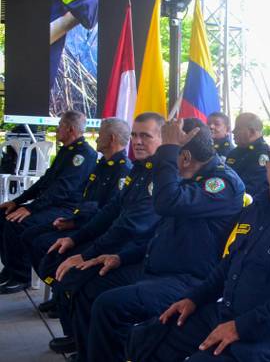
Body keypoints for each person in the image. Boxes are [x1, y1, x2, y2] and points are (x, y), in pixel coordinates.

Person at [126, 127, 270, 362]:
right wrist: (194, 299)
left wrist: (240, 327)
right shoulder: (255, 210)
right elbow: (229, 265)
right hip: (226, 313)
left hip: (267, 334)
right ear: (267, 163)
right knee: (153, 335)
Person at [64, 118, 245, 362]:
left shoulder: (223, 183)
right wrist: (119, 257)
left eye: (167, 155)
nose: (164, 162)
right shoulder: (191, 176)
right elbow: (159, 234)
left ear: (185, 157)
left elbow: (167, 202)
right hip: (156, 268)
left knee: (109, 306)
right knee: (90, 282)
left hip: (188, 280)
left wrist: (168, 149)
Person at [38, 112, 164, 355]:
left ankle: (95, 350)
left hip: (139, 253)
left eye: (145, 136)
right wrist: (76, 239)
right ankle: (83, 343)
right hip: (120, 244)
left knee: (84, 285)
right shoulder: (139, 170)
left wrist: (88, 254)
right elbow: (110, 211)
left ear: (162, 139)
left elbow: (131, 225)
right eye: (135, 135)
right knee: (62, 264)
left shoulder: (161, 176)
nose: (137, 141)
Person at [0, 111, 97, 293]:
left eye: (60, 125)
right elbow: (46, 181)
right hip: (51, 204)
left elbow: (63, 189)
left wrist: (31, 209)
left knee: (17, 223)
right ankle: (10, 269)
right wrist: (18, 202)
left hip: (66, 209)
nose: (57, 129)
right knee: (4, 214)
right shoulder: (67, 151)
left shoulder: (83, 155)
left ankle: (21, 276)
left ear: (70, 129)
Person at [226, 112, 270, 197]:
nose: (233, 131)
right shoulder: (234, 152)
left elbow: (251, 187)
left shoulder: (263, 155)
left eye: (238, 128)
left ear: (251, 131)